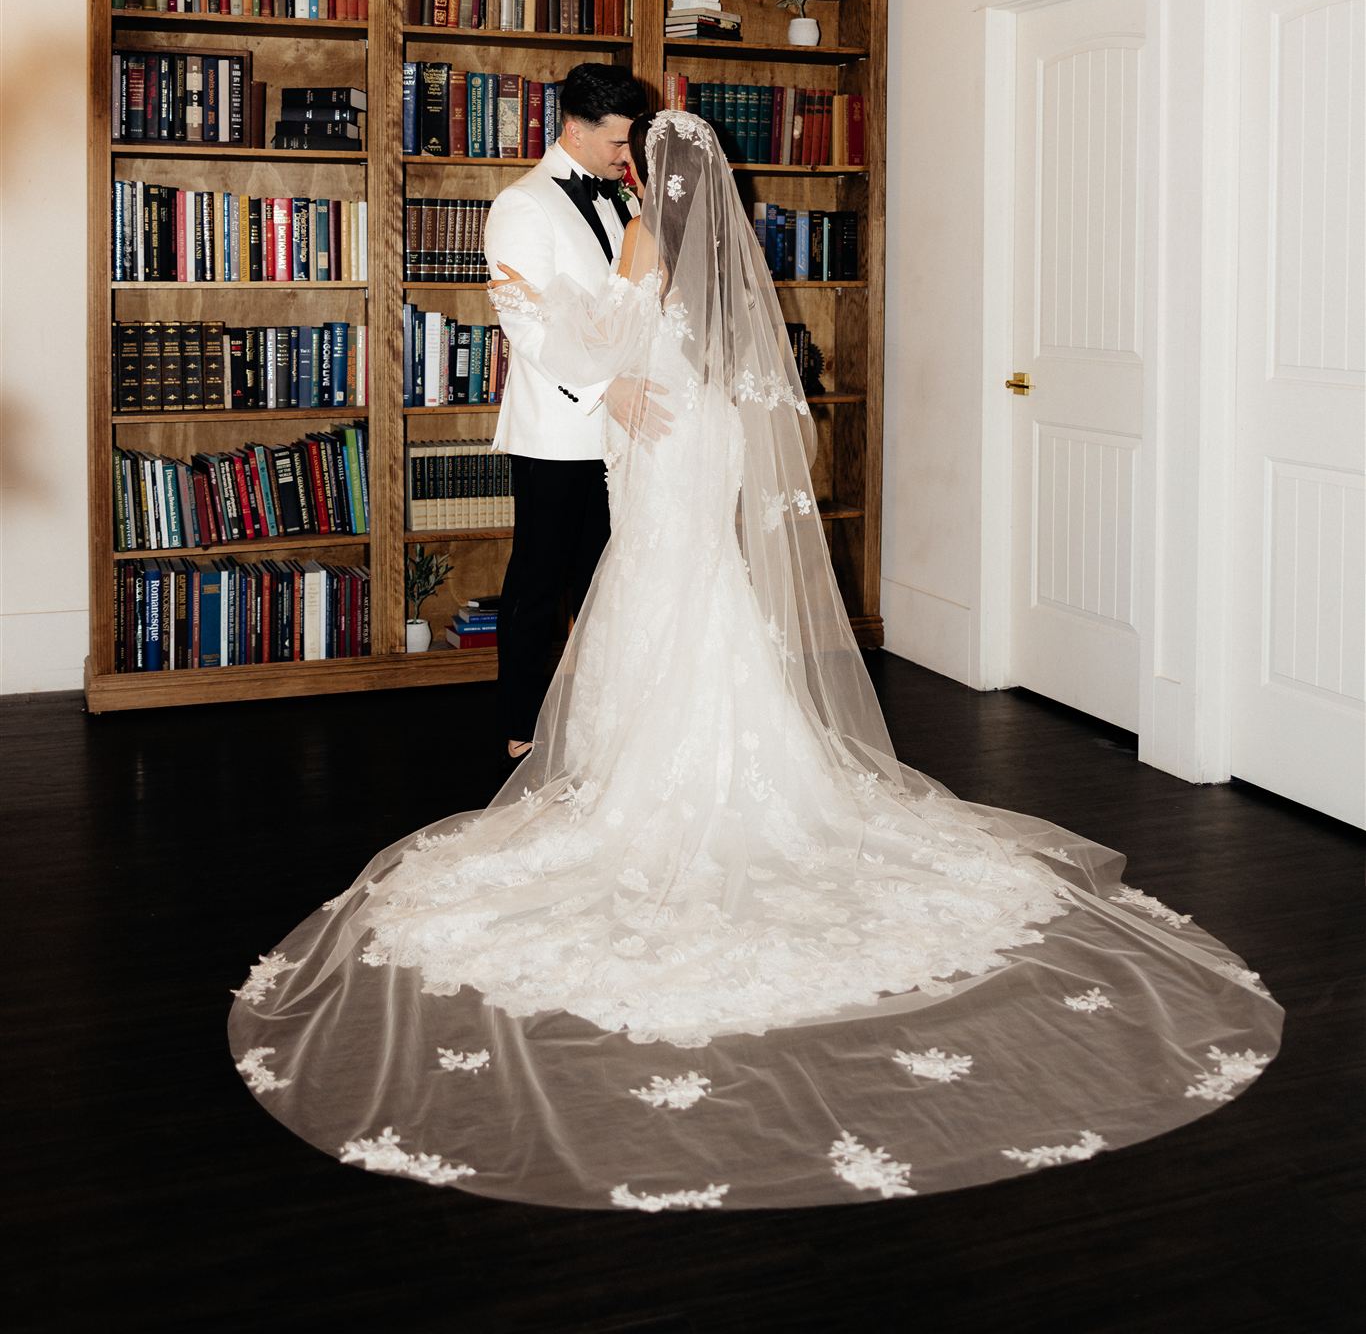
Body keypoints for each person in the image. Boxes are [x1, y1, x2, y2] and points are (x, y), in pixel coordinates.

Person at [230, 110, 1282, 1212]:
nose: (630, 165)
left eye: (641, 156)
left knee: (649, 575)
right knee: (693, 582)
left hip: (661, 431)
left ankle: (642, 767)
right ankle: (720, 748)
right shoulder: (723, 250)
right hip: (707, 426)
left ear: (655, 172)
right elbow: (706, 347)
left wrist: (556, 325)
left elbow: (606, 339)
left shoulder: (638, 233)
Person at [482, 61, 656, 759]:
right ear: (575, 131)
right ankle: (521, 730)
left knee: (605, 579)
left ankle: (595, 722)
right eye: (617, 142)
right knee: (538, 581)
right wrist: (601, 388)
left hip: (625, 433)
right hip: (559, 428)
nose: (627, 156)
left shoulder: (626, 201)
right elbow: (526, 325)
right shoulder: (521, 205)